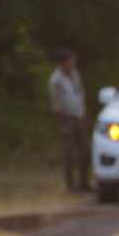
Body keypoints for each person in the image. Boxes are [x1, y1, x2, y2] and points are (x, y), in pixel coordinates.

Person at [47, 49, 89, 192]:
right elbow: (56, 103)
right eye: (70, 61)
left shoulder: (75, 74)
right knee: (69, 154)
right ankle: (70, 186)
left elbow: (80, 94)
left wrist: (84, 113)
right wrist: (62, 123)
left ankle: (84, 182)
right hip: (67, 119)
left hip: (79, 116)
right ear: (63, 62)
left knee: (85, 151)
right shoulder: (56, 80)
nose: (73, 63)